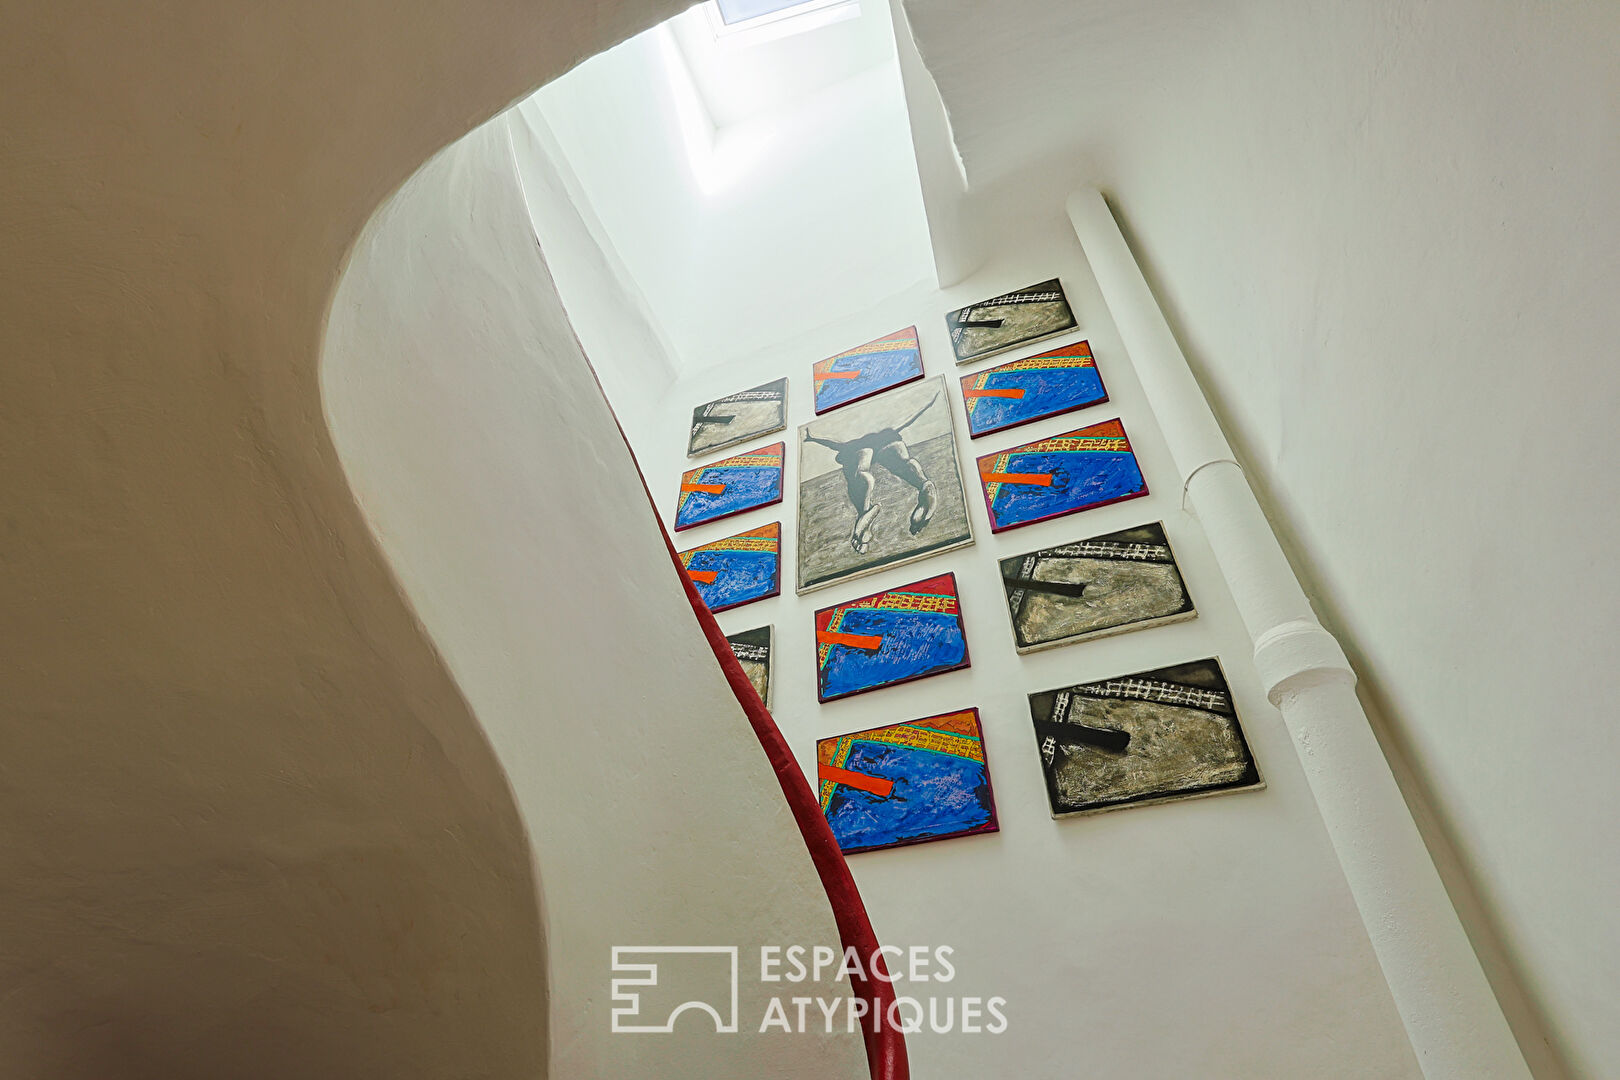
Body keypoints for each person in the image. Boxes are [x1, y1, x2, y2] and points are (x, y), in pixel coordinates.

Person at [803, 393, 941, 553]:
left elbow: (830, 444)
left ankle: (864, 514)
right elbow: (913, 415)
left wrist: (812, 438)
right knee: (905, 462)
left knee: (860, 475)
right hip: (887, 436)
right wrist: (929, 403)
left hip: (854, 446)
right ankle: (925, 486)